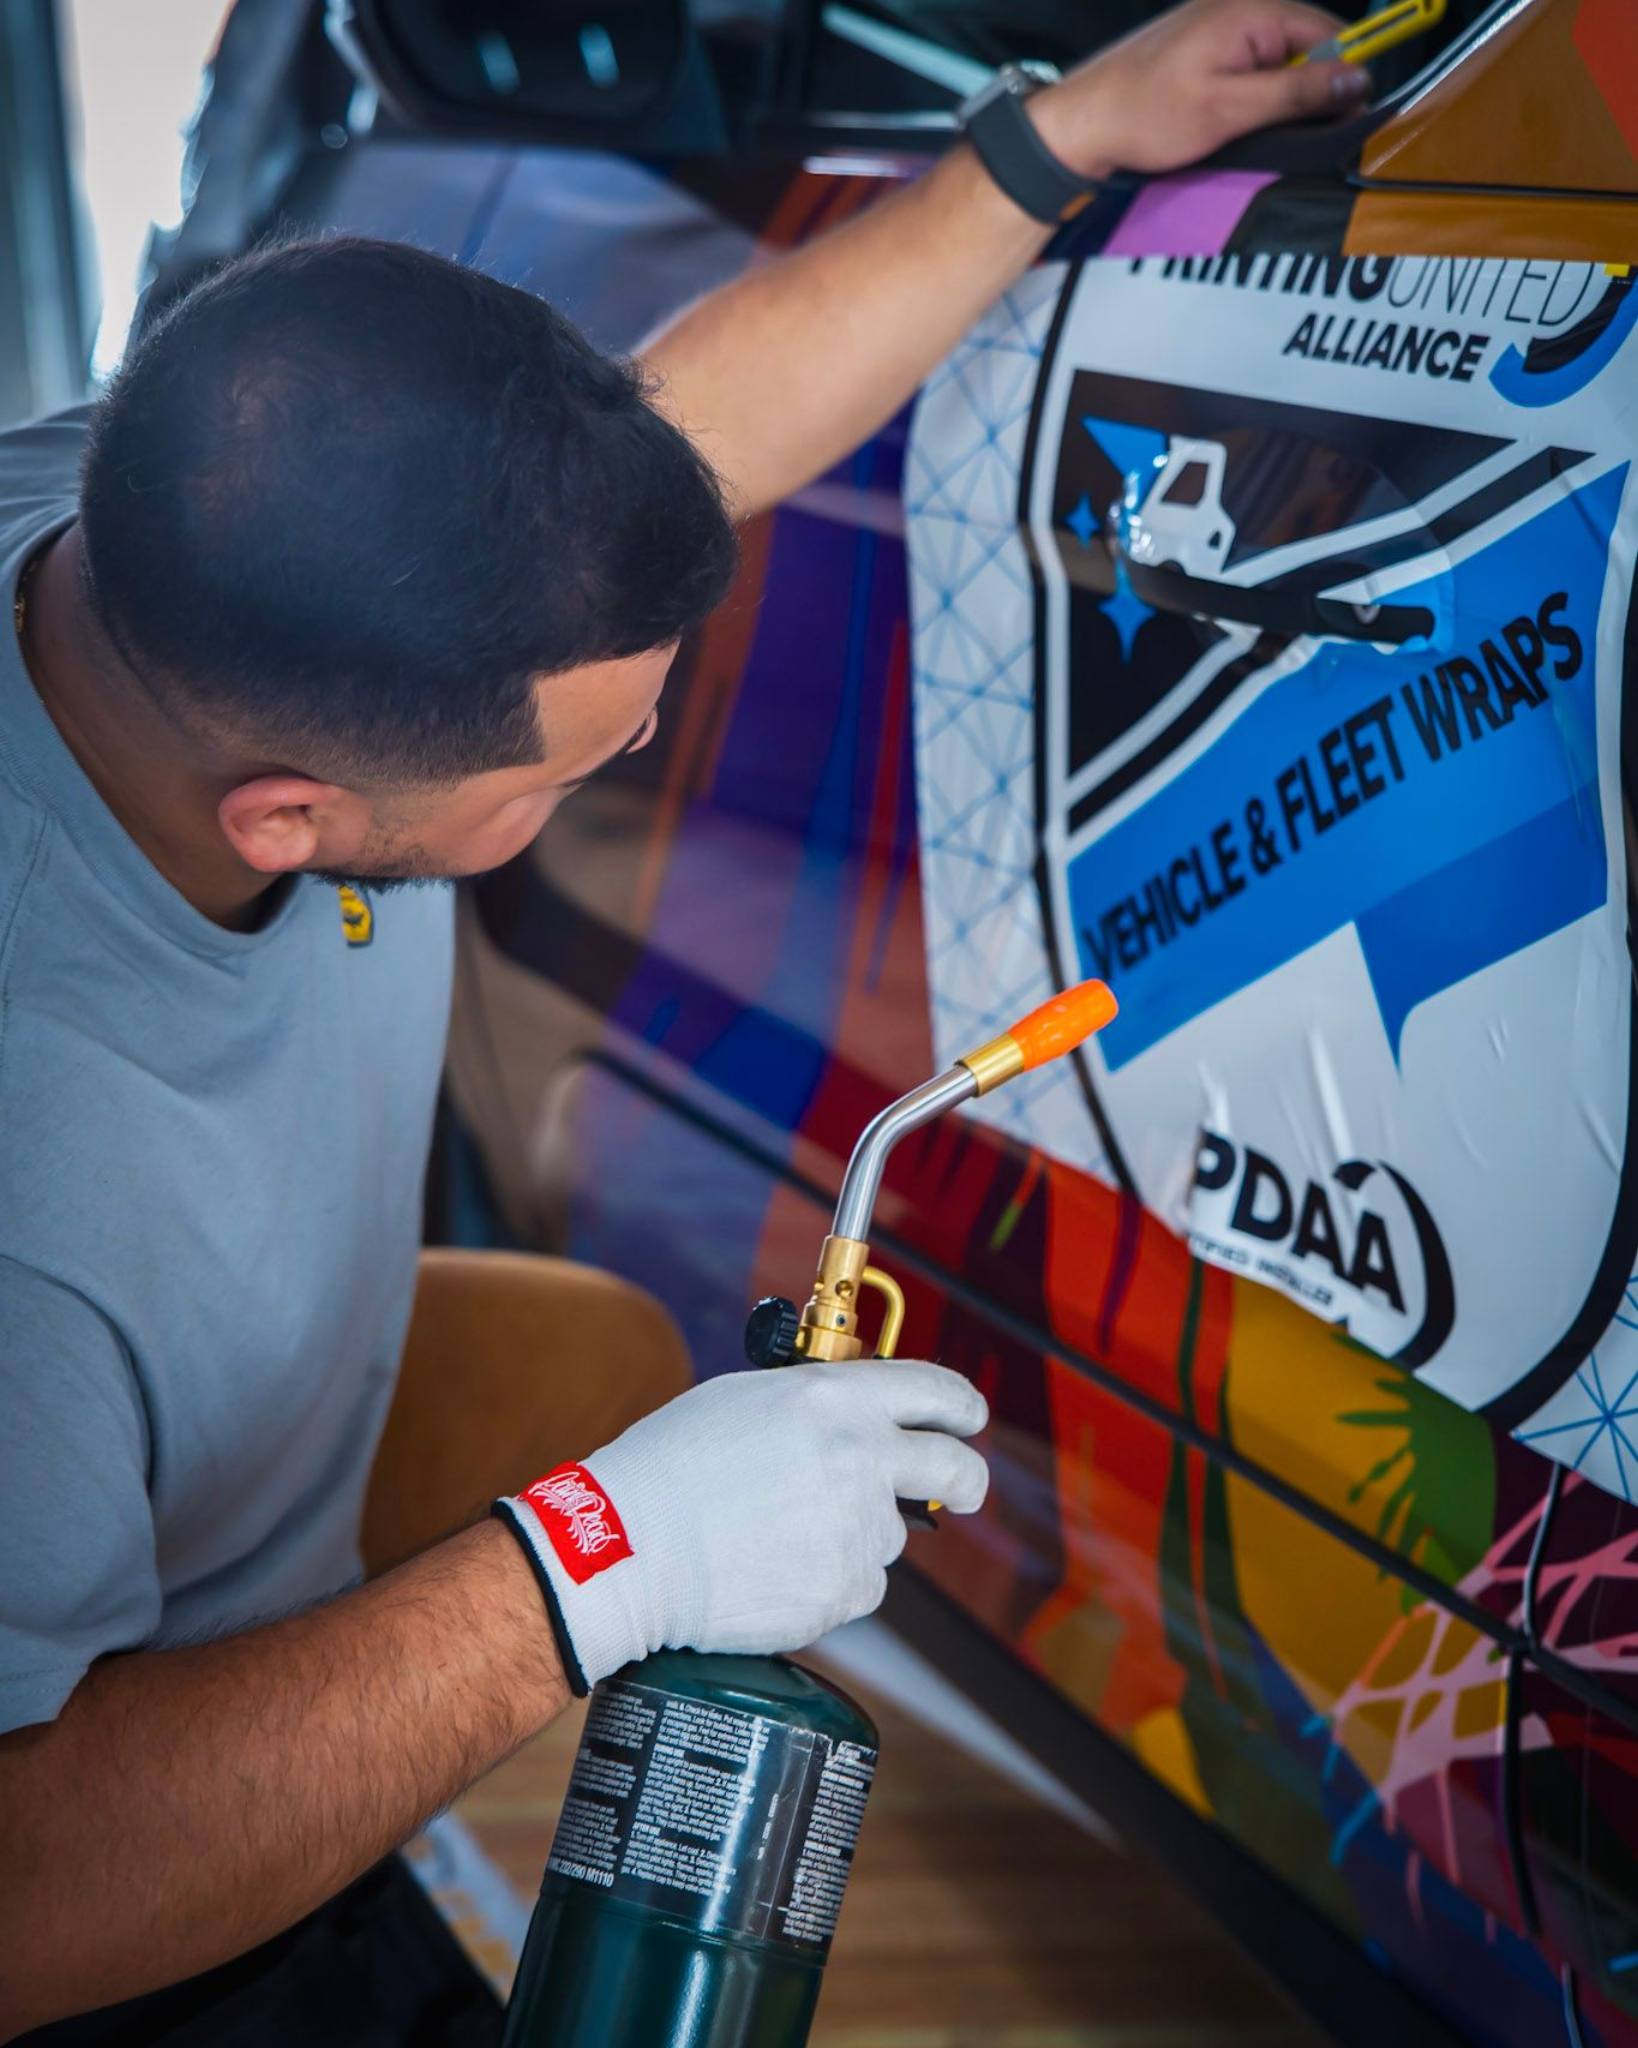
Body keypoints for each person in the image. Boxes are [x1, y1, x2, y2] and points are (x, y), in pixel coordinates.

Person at [0, 3, 1366, 2036]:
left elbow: (657, 435)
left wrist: (1067, 131)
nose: (642, 742)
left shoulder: (145, 520)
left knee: (601, 1359)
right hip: (91, 1871)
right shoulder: (39, 1183)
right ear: (287, 816)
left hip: (206, 1536)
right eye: (565, 771)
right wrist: (597, 1565)